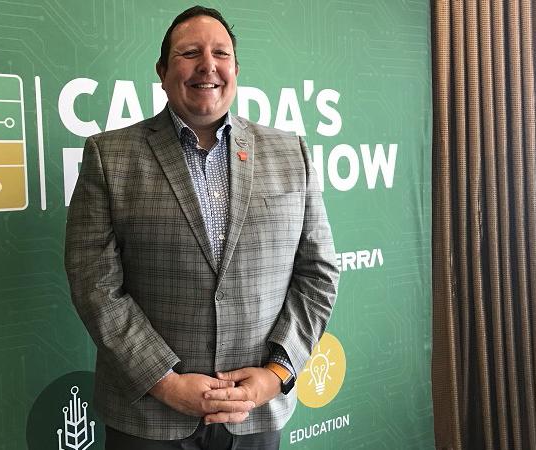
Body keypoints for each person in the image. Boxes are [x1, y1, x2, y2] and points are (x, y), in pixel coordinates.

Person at [65, 5, 339, 449]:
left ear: (235, 70)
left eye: (221, 53)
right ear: (162, 71)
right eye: (189, 53)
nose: (207, 65)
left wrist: (276, 374)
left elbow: (318, 274)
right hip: (148, 418)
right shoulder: (108, 156)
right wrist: (164, 382)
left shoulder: (292, 153)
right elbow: (93, 283)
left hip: (255, 413)